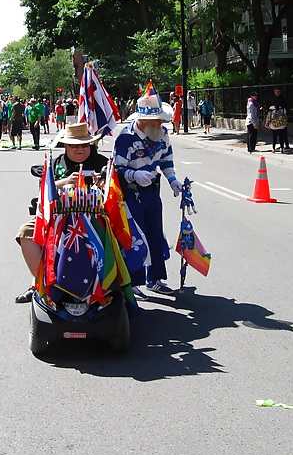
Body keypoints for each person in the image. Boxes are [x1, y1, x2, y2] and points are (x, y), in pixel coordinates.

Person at [15, 122, 109, 303]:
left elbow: (114, 191)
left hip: (95, 217)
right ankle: (40, 283)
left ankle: (111, 285)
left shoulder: (103, 163)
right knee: (26, 232)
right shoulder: (56, 164)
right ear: (66, 146)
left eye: (84, 144)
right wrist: (64, 181)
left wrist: (102, 183)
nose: (80, 149)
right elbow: (44, 189)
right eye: (74, 145)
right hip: (59, 216)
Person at [113, 90, 183, 295]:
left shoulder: (162, 134)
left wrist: (173, 180)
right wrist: (134, 175)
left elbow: (166, 160)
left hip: (152, 191)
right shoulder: (126, 138)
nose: (161, 124)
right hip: (131, 194)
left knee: (154, 233)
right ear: (144, 120)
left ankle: (155, 278)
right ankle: (132, 282)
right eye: (157, 121)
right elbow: (117, 168)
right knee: (135, 237)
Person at [268, 86, 290, 152]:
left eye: (278, 91)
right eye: (275, 92)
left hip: (277, 121)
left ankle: (280, 146)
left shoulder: (282, 99)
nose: (276, 93)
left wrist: (267, 122)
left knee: (280, 134)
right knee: (282, 133)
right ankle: (282, 146)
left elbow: (269, 114)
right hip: (281, 120)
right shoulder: (275, 99)